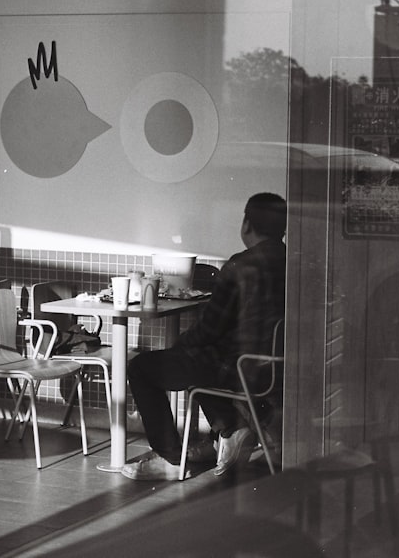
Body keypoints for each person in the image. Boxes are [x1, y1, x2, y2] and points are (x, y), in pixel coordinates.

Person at [122, 192, 287, 481]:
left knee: (142, 367)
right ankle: (230, 430)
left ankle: (171, 459)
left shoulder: (240, 266)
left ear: (246, 224)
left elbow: (209, 329)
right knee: (190, 359)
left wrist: (179, 345)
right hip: (275, 367)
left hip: (235, 368)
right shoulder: (294, 263)